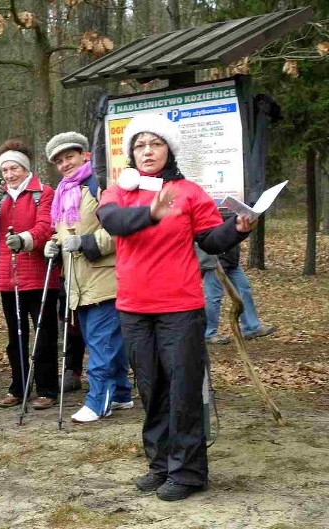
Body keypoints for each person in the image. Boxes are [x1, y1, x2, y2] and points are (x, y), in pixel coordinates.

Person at [97, 113, 253, 501]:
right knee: (151, 388)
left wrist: (236, 229)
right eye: (139, 145)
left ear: (169, 149)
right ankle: (161, 464)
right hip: (133, 307)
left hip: (180, 306)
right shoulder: (119, 190)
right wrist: (150, 213)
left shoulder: (189, 192)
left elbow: (211, 240)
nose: (147, 151)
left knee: (183, 388)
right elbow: (112, 222)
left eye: (155, 144)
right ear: (130, 153)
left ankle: (188, 472)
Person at [43, 132, 132, 423]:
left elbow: (121, 230)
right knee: (107, 341)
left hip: (104, 279)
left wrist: (85, 243)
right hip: (77, 281)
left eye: (69, 156)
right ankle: (120, 394)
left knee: (99, 343)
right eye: (59, 161)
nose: (64, 164)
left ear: (85, 155)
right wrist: (54, 242)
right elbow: (67, 230)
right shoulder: (64, 192)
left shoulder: (100, 187)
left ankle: (98, 402)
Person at [0, 139, 59, 410]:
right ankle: (18, 385)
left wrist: (25, 240)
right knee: (16, 335)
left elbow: (47, 226)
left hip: (38, 274)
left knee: (43, 334)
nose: (10, 175)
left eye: (15, 169)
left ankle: (47, 388)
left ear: (26, 169)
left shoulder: (43, 193)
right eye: (6, 170)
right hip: (8, 276)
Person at [196, 242, 275, 344]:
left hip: (231, 261)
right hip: (213, 261)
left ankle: (251, 327)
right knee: (213, 297)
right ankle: (208, 333)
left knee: (244, 288)